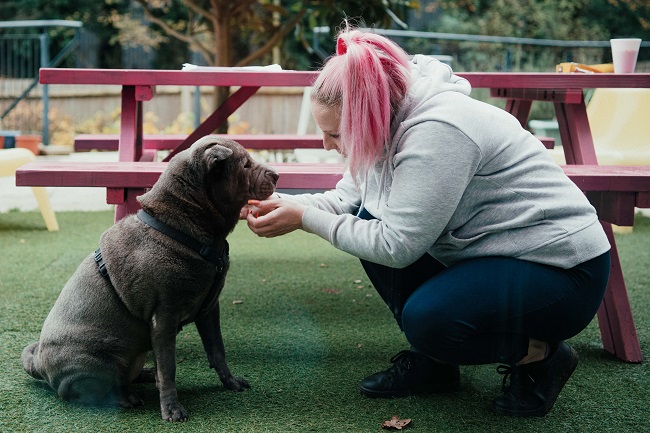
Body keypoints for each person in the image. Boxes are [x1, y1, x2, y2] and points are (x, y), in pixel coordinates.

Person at [242, 24, 610, 417]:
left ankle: (542, 356)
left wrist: (305, 219)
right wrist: (283, 203)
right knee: (368, 216)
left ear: (371, 115)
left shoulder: (439, 131)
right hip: (495, 252)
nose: (327, 145)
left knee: (429, 320)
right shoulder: (385, 118)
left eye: (335, 133)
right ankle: (437, 364)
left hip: (562, 270)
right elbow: (347, 201)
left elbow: (396, 246)